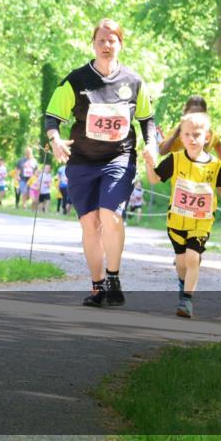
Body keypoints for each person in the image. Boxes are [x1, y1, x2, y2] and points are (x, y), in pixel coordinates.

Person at [45, 18, 158, 307]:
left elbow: (147, 120)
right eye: (101, 41)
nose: (107, 45)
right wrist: (55, 140)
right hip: (82, 160)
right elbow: (52, 117)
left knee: (111, 216)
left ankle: (113, 277)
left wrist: (152, 147)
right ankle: (97, 287)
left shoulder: (133, 81)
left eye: (112, 41)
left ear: (120, 44)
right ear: (94, 44)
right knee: (90, 224)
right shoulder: (76, 79)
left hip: (118, 157)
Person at [143, 112, 221, 318]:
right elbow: (154, 179)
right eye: (187, 135)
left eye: (196, 134)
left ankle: (187, 300)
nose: (192, 139)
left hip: (202, 222)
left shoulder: (215, 165)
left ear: (207, 137)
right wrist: (149, 163)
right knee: (182, 263)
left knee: (193, 258)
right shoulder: (174, 159)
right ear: (181, 138)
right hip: (176, 221)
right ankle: (182, 283)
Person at [158, 95, 221, 168]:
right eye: (192, 115)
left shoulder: (209, 133)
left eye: (199, 115)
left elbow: (218, 144)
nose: (194, 119)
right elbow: (162, 151)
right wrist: (174, 136)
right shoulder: (176, 132)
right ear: (185, 113)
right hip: (181, 176)